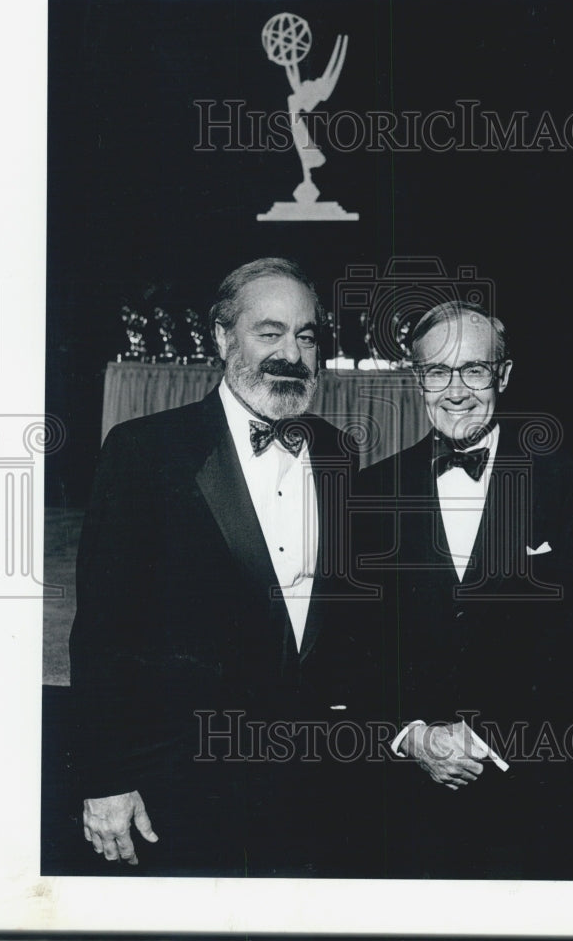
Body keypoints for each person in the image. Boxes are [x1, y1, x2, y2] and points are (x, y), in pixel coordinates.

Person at [69, 258, 379, 877]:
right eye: (270, 332)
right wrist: (106, 778)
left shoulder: (337, 452)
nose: (292, 353)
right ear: (222, 338)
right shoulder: (143, 452)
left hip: (313, 782)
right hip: (184, 779)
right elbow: (103, 633)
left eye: (307, 335)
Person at [357, 300, 573, 878]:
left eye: (474, 369)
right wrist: (414, 736)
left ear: (504, 374)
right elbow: (355, 641)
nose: (456, 390)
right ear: (417, 379)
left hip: (531, 785)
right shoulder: (373, 490)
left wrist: (485, 733)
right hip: (403, 795)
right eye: (437, 371)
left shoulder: (565, 479)